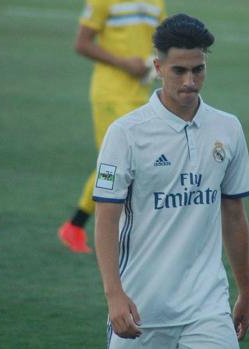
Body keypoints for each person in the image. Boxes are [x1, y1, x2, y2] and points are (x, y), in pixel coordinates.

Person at [93, 13, 249, 349]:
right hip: (141, 306)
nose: (190, 81)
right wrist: (114, 295)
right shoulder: (125, 134)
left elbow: (234, 213)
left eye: (198, 69)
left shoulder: (228, 128)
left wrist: (245, 291)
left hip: (207, 306)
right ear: (159, 67)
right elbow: (106, 218)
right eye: (179, 70)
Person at [58, 0, 167, 253]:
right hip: (110, 94)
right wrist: (124, 63)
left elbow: (163, 42)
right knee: (118, 163)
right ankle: (103, 230)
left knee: (122, 163)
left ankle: (75, 226)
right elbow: (82, 43)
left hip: (141, 94)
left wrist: (155, 62)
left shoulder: (156, 2)